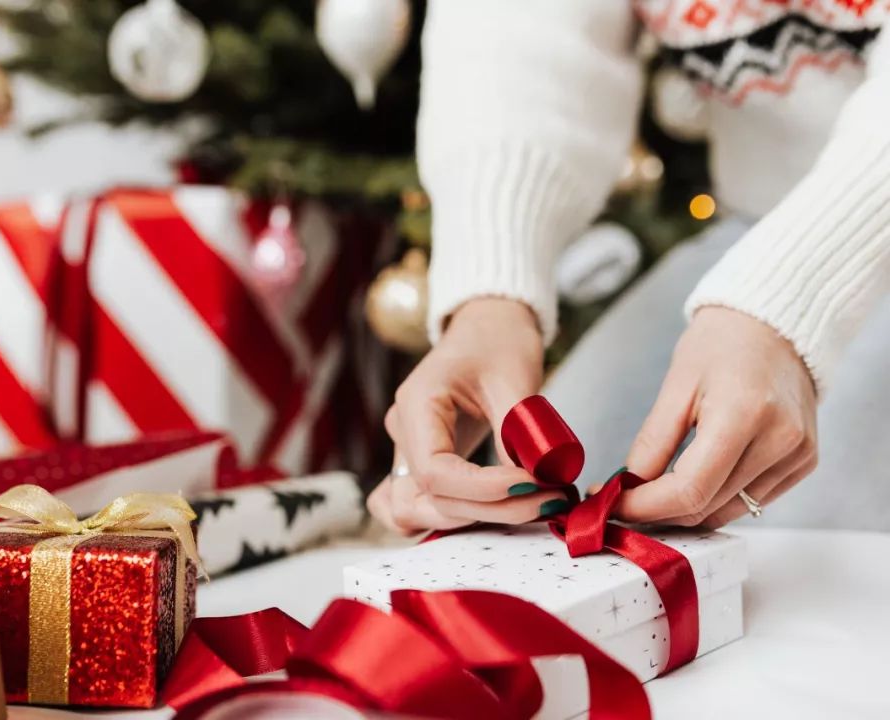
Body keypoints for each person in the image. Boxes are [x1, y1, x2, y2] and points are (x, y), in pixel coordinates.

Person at [368, 0, 890, 534]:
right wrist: (489, 302)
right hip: (755, 222)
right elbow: (519, 27)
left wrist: (790, 297)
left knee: (798, 548)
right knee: (567, 515)